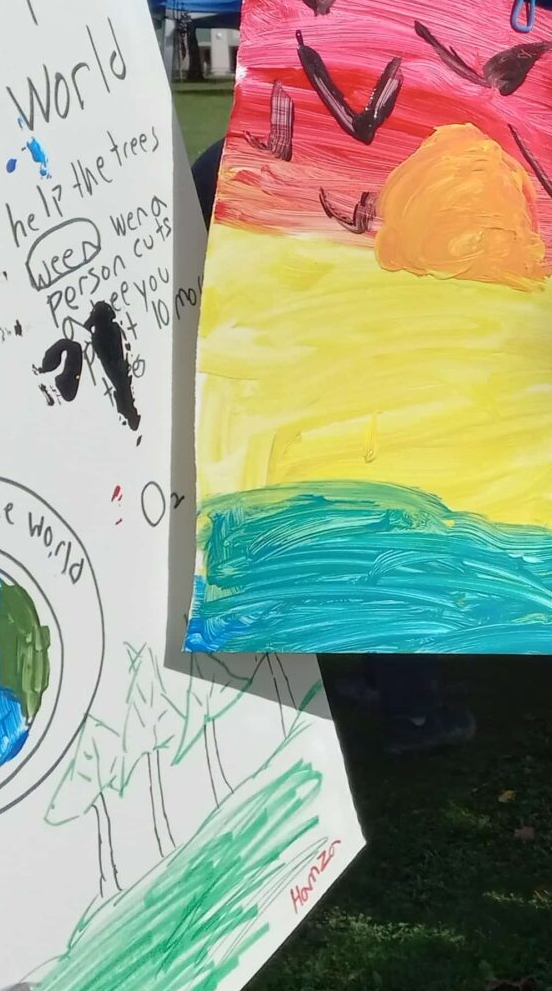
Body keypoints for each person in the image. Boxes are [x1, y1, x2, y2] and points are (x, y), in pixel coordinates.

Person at [189, 135, 473, 751]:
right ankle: (410, 706)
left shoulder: (221, 159)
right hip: (341, 380)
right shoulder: (341, 157)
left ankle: (308, 691)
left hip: (253, 382)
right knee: (384, 537)